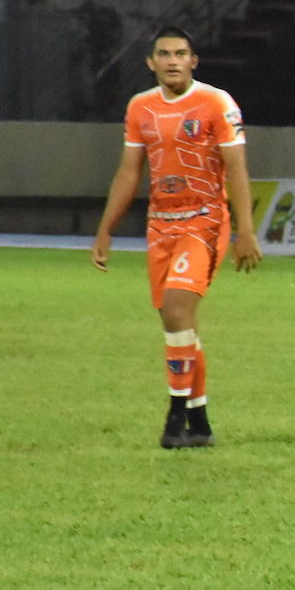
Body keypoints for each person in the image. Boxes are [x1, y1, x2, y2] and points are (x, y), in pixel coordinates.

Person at [92, 27, 261, 448]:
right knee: (179, 322)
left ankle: (174, 417)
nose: (172, 60)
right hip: (160, 226)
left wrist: (245, 230)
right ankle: (200, 423)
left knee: (175, 309)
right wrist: (106, 228)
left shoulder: (216, 103)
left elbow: (236, 167)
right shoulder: (140, 108)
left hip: (204, 221)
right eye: (163, 54)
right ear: (150, 63)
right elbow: (130, 171)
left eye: (180, 53)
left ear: (193, 61)